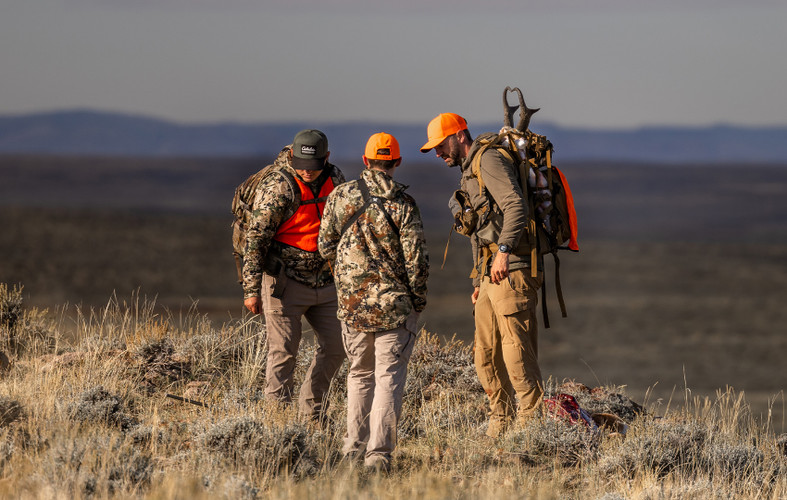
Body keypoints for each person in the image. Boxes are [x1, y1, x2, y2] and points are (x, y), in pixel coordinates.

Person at [421, 113, 543, 438]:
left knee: (516, 352)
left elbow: (516, 206)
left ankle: (534, 429)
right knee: (485, 354)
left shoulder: (488, 159)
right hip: (491, 274)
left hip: (513, 266)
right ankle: (499, 427)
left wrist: (503, 251)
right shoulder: (469, 171)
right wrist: (478, 282)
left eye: (440, 145)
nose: (437, 153)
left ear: (460, 136)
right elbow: (479, 229)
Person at [318, 132, 429, 471]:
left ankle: (352, 451)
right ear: (396, 163)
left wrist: (346, 279)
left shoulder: (340, 196)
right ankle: (378, 457)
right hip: (394, 308)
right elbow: (417, 262)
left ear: (365, 161)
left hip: (352, 308)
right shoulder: (403, 204)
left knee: (359, 375)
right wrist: (417, 301)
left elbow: (324, 245)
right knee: (388, 377)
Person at [242, 129, 346, 423]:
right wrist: (251, 289)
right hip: (284, 283)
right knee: (284, 353)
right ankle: (276, 424)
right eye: (300, 163)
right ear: (291, 156)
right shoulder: (277, 187)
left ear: (326, 158)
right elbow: (256, 240)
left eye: (313, 166)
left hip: (326, 280)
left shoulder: (336, 178)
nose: (306, 171)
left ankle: (311, 415)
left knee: (338, 347)